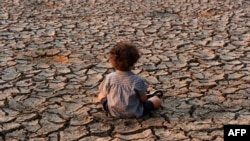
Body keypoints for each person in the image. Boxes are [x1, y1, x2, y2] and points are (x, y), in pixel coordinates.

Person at [98, 41, 162, 118]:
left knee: (100, 95)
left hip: (113, 111)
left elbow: (105, 94)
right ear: (133, 63)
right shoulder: (137, 80)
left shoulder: (109, 77)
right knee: (156, 100)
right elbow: (143, 99)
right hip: (134, 112)